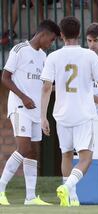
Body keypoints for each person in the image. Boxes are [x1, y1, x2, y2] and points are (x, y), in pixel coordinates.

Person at [40, 16, 98, 207]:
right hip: (83, 113)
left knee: (66, 155)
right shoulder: (90, 56)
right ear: (79, 34)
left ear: (61, 35)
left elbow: (46, 88)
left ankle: (72, 198)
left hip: (61, 114)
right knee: (86, 158)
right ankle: (68, 186)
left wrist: (42, 116)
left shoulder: (52, 57)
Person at [0, 19, 60, 206]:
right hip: (19, 108)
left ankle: (30, 197)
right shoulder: (19, 50)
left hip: (35, 112)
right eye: (51, 39)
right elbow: (5, 77)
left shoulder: (44, 56)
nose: (51, 43)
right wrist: (24, 97)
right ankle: (0, 189)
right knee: (24, 148)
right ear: (43, 34)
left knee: (32, 153)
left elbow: (45, 85)